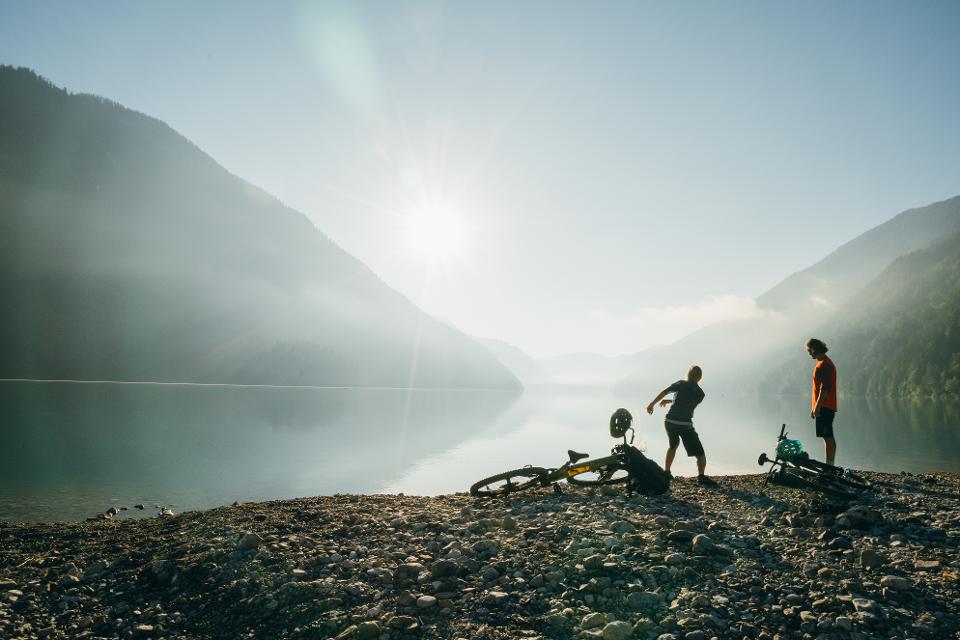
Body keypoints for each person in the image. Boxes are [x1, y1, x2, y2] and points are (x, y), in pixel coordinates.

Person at [646, 365, 715, 486]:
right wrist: (669, 401)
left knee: (673, 446)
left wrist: (652, 403)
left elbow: (665, 392)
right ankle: (701, 476)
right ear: (700, 377)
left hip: (670, 421)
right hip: (685, 425)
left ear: (688, 374)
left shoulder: (680, 384)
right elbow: (687, 403)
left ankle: (667, 472)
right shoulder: (700, 394)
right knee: (700, 454)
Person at [806, 337, 838, 465]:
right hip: (823, 406)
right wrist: (814, 407)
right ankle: (829, 465)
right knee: (826, 437)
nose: (809, 353)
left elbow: (824, 390)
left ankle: (830, 467)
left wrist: (817, 407)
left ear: (814, 349)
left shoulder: (825, 364)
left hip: (825, 407)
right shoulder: (822, 363)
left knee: (828, 437)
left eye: (809, 350)